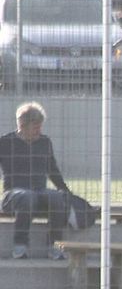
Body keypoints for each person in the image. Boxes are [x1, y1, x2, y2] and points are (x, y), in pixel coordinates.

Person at [0, 102, 72, 260]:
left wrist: (66, 191)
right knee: (27, 197)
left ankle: (55, 247)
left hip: (40, 192)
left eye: (40, 126)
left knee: (57, 198)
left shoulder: (45, 142)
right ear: (22, 125)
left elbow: (53, 170)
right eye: (35, 127)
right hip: (14, 194)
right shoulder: (5, 142)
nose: (39, 130)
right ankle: (20, 246)